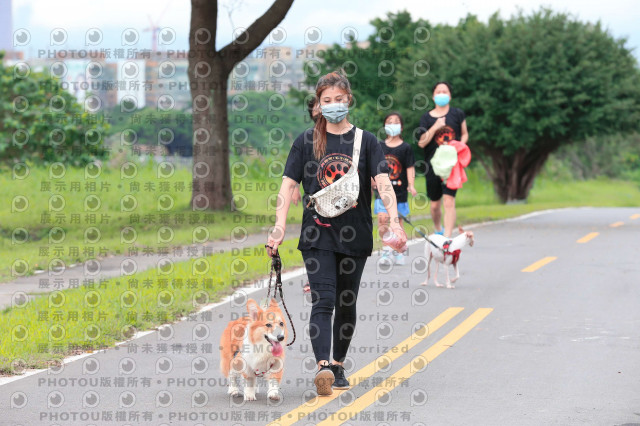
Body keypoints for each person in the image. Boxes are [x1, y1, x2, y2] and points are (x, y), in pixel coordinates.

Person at [266, 70, 406, 396]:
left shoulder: (366, 142)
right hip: (317, 234)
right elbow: (287, 186)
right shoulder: (305, 141)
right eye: (326, 100)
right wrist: (279, 226)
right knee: (324, 299)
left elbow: (383, 182)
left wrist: (395, 220)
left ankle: (339, 363)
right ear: (318, 103)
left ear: (349, 100)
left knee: (346, 301)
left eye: (339, 99)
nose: (333, 105)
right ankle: (323, 367)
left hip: (356, 234)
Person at [416, 81, 469, 237]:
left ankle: (447, 237)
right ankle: (438, 229)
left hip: (452, 166)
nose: (441, 94)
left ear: (450, 96)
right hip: (433, 166)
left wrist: (460, 147)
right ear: (433, 97)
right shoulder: (426, 118)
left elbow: (464, 134)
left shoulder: (457, 114)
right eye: (438, 92)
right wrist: (435, 127)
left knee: (449, 201)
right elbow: (421, 143)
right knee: (434, 205)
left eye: (444, 91)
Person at [372, 112, 416, 265]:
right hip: (382, 192)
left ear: (401, 127)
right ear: (385, 126)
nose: (392, 124)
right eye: (389, 121)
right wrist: (372, 181)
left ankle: (398, 250)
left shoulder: (406, 147)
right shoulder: (379, 146)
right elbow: (373, 166)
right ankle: (386, 250)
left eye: (396, 122)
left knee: (397, 222)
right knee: (382, 219)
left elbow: (410, 168)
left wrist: (411, 185)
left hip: (400, 192)